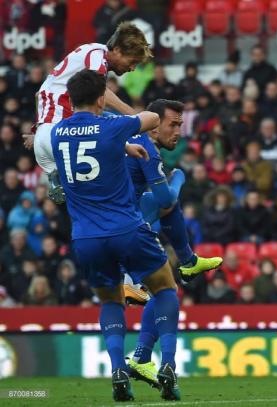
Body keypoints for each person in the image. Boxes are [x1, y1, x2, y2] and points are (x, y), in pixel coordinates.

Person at [50, 70, 180, 401]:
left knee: (111, 300)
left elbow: (87, 141)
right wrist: (120, 117)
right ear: (100, 98)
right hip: (126, 228)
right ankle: (167, 363)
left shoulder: (57, 133)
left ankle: (118, 369)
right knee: (165, 288)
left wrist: (121, 145)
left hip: (86, 238)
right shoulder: (112, 125)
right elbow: (150, 118)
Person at [123, 100, 223, 383]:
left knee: (162, 290)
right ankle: (185, 262)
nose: (179, 131)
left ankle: (139, 359)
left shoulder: (127, 138)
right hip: (127, 227)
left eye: (181, 124)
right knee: (169, 193)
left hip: (100, 222)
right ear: (154, 127)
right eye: (173, 124)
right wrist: (178, 178)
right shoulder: (146, 150)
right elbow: (166, 199)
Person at [28, 22, 152, 205]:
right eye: (132, 61)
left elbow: (40, 95)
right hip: (61, 135)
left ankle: (57, 178)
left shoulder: (89, 55)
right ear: (117, 50)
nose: (132, 68)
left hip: (48, 138)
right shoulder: (96, 56)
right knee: (108, 181)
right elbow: (100, 92)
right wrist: (135, 116)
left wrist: (38, 131)